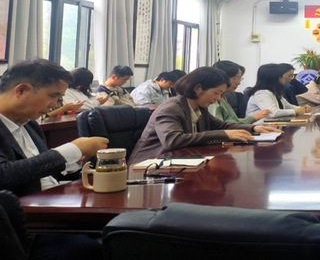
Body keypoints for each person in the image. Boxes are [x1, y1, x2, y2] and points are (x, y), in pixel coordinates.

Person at [0, 59, 109, 196]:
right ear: (22, 90)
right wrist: (72, 149)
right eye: (53, 96)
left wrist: (75, 159)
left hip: (51, 198)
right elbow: (4, 175)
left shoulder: (30, 125)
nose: (54, 105)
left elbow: (42, 173)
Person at [129, 67, 281, 163]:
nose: (218, 99)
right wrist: (225, 134)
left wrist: (254, 129)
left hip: (178, 162)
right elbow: (172, 141)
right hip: (148, 167)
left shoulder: (199, 107)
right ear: (198, 88)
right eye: (216, 93)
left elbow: (221, 125)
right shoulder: (171, 108)